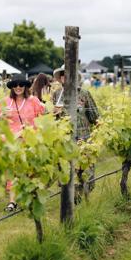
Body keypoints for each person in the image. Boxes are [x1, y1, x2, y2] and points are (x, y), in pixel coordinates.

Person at [0, 74, 45, 211]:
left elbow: (42, 116)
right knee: (12, 171)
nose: (18, 87)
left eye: (21, 85)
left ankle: (30, 197)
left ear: (25, 86)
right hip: (11, 142)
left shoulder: (33, 100)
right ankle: (12, 202)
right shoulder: (6, 102)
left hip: (29, 140)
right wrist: (2, 116)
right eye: (15, 85)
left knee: (30, 170)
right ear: (12, 87)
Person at [52, 67, 99, 199]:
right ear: (60, 78)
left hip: (83, 139)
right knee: (67, 171)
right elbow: (51, 118)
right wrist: (53, 113)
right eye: (63, 75)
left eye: (69, 75)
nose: (65, 78)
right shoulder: (56, 95)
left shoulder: (84, 94)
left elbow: (95, 116)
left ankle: (82, 196)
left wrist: (96, 138)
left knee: (86, 172)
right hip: (65, 140)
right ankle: (72, 200)